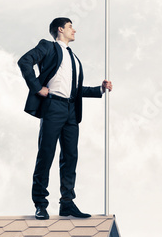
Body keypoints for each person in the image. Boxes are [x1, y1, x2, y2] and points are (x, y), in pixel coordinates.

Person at [18, 17, 112, 220]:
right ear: (60, 29)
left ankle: (67, 203)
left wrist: (100, 89)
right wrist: (37, 87)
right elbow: (24, 61)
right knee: (46, 154)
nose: (74, 30)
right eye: (70, 27)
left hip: (71, 110)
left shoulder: (74, 58)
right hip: (53, 106)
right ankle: (41, 204)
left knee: (70, 157)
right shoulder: (48, 47)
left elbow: (76, 89)